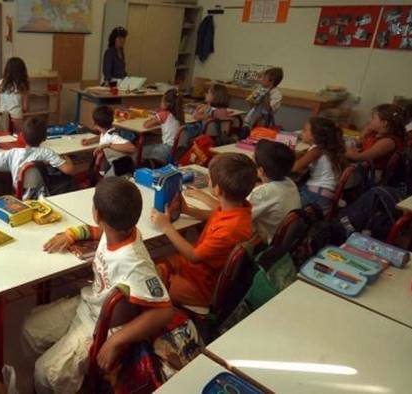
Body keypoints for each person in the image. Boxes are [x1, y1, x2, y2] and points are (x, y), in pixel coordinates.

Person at [26, 177, 173, 393]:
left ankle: (62, 379)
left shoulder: (134, 262)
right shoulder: (120, 230)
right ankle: (65, 371)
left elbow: (164, 312)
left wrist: (116, 342)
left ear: (97, 215)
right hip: (89, 305)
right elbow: (99, 233)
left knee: (46, 373)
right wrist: (71, 234)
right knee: (31, 329)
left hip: (104, 327)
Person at [151, 153, 256, 307]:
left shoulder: (230, 229)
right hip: (197, 270)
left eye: (210, 179)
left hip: (201, 286)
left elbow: (194, 256)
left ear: (217, 189)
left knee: (149, 288)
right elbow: (215, 215)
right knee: (152, 264)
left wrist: (166, 226)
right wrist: (187, 210)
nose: (208, 181)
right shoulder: (238, 209)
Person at [187, 140, 299, 243]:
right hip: (287, 242)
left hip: (263, 245)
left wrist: (202, 196)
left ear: (261, 171)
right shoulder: (289, 182)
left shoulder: (262, 193)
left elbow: (229, 213)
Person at [0, 116, 74, 196]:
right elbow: (68, 170)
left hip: (20, 195)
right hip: (42, 196)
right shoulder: (47, 153)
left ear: (22, 137)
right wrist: (67, 158)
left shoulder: (13, 153)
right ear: (44, 138)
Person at [293, 117, 345, 214]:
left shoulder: (316, 150)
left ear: (314, 136)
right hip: (325, 194)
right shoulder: (327, 148)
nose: (301, 132)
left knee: (285, 200)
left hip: (316, 196)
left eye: (304, 130)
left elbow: (295, 167)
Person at [346, 104, 405, 176]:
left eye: (373, 118)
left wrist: (343, 150)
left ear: (384, 123)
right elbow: (360, 143)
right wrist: (366, 131)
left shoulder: (387, 142)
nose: (370, 120)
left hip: (375, 175)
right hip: (365, 167)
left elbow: (359, 158)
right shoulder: (375, 134)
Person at [81, 105, 136, 176]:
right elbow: (102, 136)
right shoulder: (107, 132)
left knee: (104, 182)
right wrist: (89, 141)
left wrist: (108, 145)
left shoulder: (113, 136)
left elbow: (132, 148)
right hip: (112, 164)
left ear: (95, 125)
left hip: (119, 168)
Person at [0, 57, 29, 134]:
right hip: (17, 117)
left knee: (4, 138)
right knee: (16, 138)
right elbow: (25, 107)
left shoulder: (1, 83)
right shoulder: (23, 84)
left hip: (3, 116)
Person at [142, 88, 184, 163]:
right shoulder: (180, 114)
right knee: (151, 145)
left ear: (167, 104)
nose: (160, 103)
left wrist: (155, 116)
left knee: (140, 150)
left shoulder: (164, 114)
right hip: (175, 149)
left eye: (161, 101)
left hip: (165, 149)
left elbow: (146, 125)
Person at [243, 67, 283, 133]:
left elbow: (268, 110)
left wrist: (265, 95)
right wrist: (253, 100)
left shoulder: (277, 94)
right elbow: (250, 103)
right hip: (250, 120)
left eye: (264, 78)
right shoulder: (260, 89)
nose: (261, 80)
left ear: (271, 81)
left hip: (263, 123)